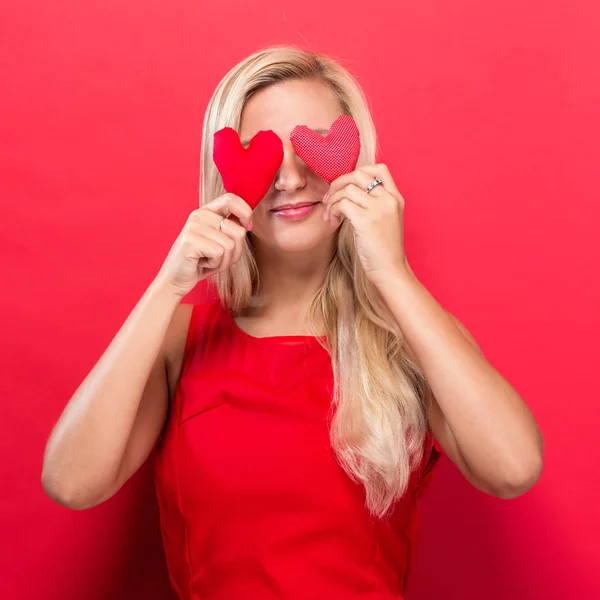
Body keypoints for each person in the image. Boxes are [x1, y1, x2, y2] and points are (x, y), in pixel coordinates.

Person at [41, 45, 544, 599]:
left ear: (355, 158)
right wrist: (170, 283)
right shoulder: (179, 341)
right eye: (262, 149)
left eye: (311, 145)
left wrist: (393, 275)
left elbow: (513, 468)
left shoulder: (411, 337)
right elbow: (71, 483)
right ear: (226, 171)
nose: (287, 178)